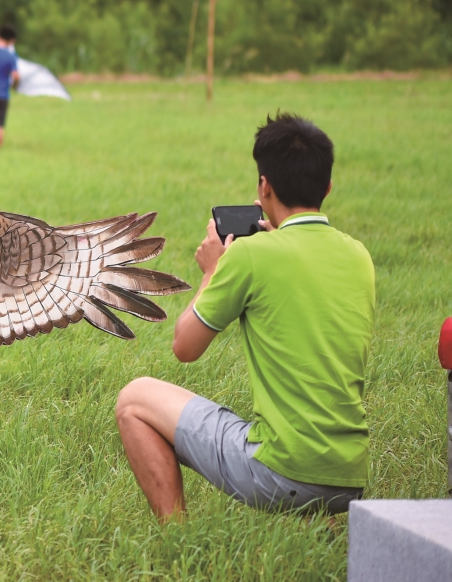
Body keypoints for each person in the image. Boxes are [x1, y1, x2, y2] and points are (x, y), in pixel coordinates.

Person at [114, 113, 375, 519]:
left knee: (134, 399)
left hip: (280, 472)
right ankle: (322, 525)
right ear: (327, 187)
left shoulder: (251, 255)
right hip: (351, 476)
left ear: (264, 186)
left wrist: (213, 273)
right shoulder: (359, 256)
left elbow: (184, 347)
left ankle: (177, 536)